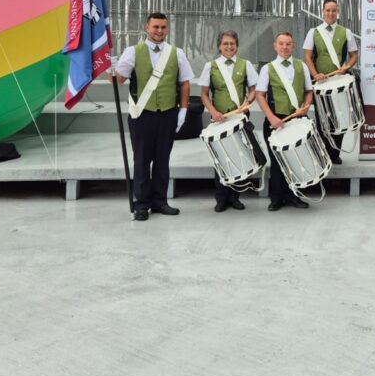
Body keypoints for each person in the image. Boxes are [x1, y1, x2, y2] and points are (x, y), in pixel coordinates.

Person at [112, 12, 194, 221]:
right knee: (141, 160)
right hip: (142, 114)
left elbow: (185, 83)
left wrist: (183, 110)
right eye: (155, 27)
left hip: (167, 114)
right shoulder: (132, 52)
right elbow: (118, 80)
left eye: (163, 27)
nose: (159, 31)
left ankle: (160, 201)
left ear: (167, 29)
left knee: (162, 160)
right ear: (147, 28)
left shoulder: (177, 53)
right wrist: (109, 66)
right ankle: (141, 204)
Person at [199, 30, 266, 213]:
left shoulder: (245, 65)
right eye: (225, 44)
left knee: (240, 155)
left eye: (232, 44)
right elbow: (204, 94)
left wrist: (247, 102)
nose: (229, 47)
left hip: (239, 116)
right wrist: (213, 112)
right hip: (219, 119)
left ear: (237, 46)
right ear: (219, 46)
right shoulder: (211, 66)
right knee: (221, 156)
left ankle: (235, 197)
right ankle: (221, 198)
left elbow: (253, 89)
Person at [256, 32, 315, 212]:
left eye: (288, 44)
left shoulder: (301, 66)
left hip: (296, 119)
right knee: (277, 161)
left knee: (295, 159)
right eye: (281, 43)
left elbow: (309, 91)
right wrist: (271, 117)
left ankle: (293, 196)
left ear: (293, 46)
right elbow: (260, 95)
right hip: (276, 120)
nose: (284, 47)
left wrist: (305, 107)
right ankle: (276, 198)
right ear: (275, 46)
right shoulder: (267, 68)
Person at [303, 0, 359, 165]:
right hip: (320, 83)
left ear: (337, 12)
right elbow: (307, 57)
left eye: (334, 10)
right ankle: (322, 153)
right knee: (322, 119)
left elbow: (354, 56)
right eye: (328, 10)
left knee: (339, 118)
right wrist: (315, 74)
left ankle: (335, 154)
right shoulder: (313, 32)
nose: (330, 13)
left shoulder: (346, 32)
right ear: (323, 11)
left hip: (338, 82)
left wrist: (346, 67)